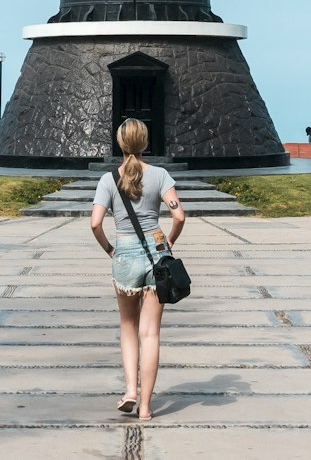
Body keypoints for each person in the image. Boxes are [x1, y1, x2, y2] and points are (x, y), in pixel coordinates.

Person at [90, 117, 185, 422]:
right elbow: (179, 215)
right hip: (157, 252)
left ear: (120, 143)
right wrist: (167, 241)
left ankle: (130, 390)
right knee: (151, 334)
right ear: (145, 143)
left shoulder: (108, 180)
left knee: (128, 326)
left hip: (125, 254)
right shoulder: (160, 175)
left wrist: (109, 249)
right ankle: (145, 407)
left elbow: (94, 223)